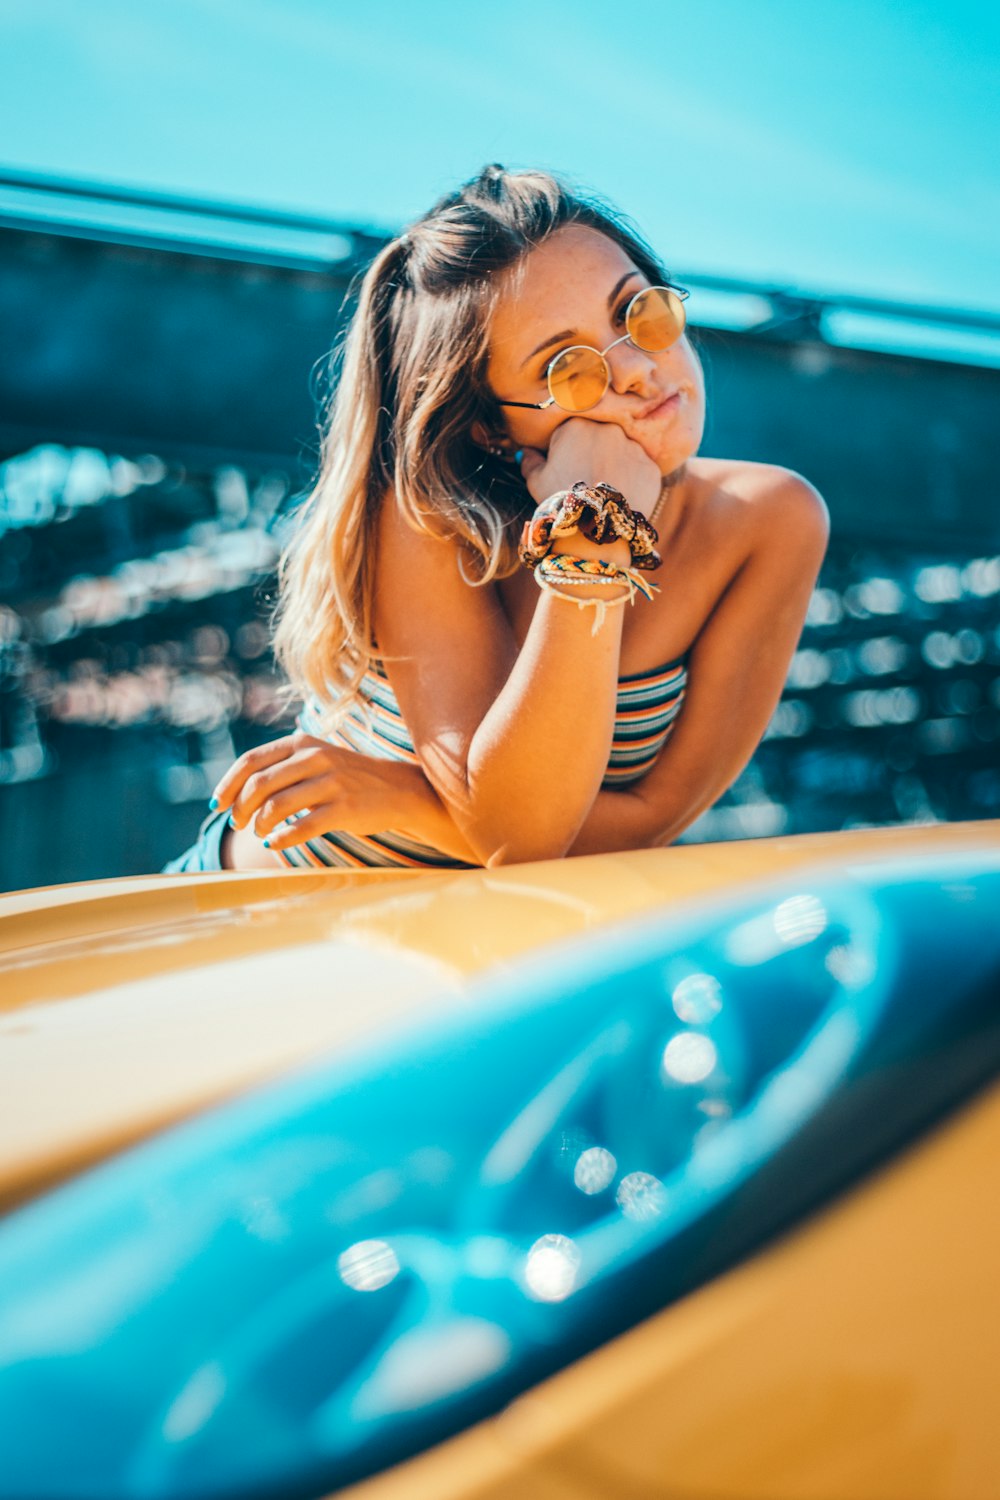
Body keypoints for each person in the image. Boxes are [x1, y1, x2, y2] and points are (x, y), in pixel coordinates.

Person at [164, 165, 828, 875]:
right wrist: (596, 528)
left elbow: (639, 826)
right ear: (488, 427)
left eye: (640, 312)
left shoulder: (770, 522)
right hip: (258, 923)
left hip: (487, 959)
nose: (638, 367)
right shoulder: (429, 515)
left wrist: (402, 799)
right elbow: (521, 836)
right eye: (569, 368)